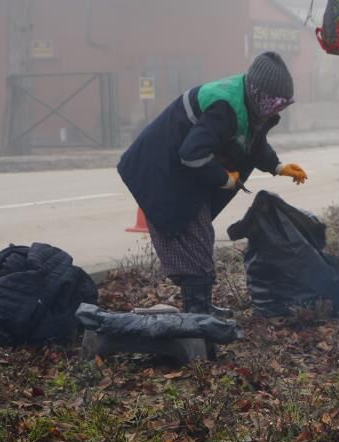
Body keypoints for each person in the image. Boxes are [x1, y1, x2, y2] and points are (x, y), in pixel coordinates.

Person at [118, 51, 308, 315]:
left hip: (180, 176)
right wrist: (224, 179)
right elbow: (191, 152)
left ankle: (201, 308)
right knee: (192, 241)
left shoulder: (249, 105)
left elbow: (251, 141)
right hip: (160, 171)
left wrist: (277, 166)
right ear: (260, 95)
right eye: (276, 105)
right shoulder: (225, 107)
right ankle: (197, 314)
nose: (278, 111)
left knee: (201, 238)